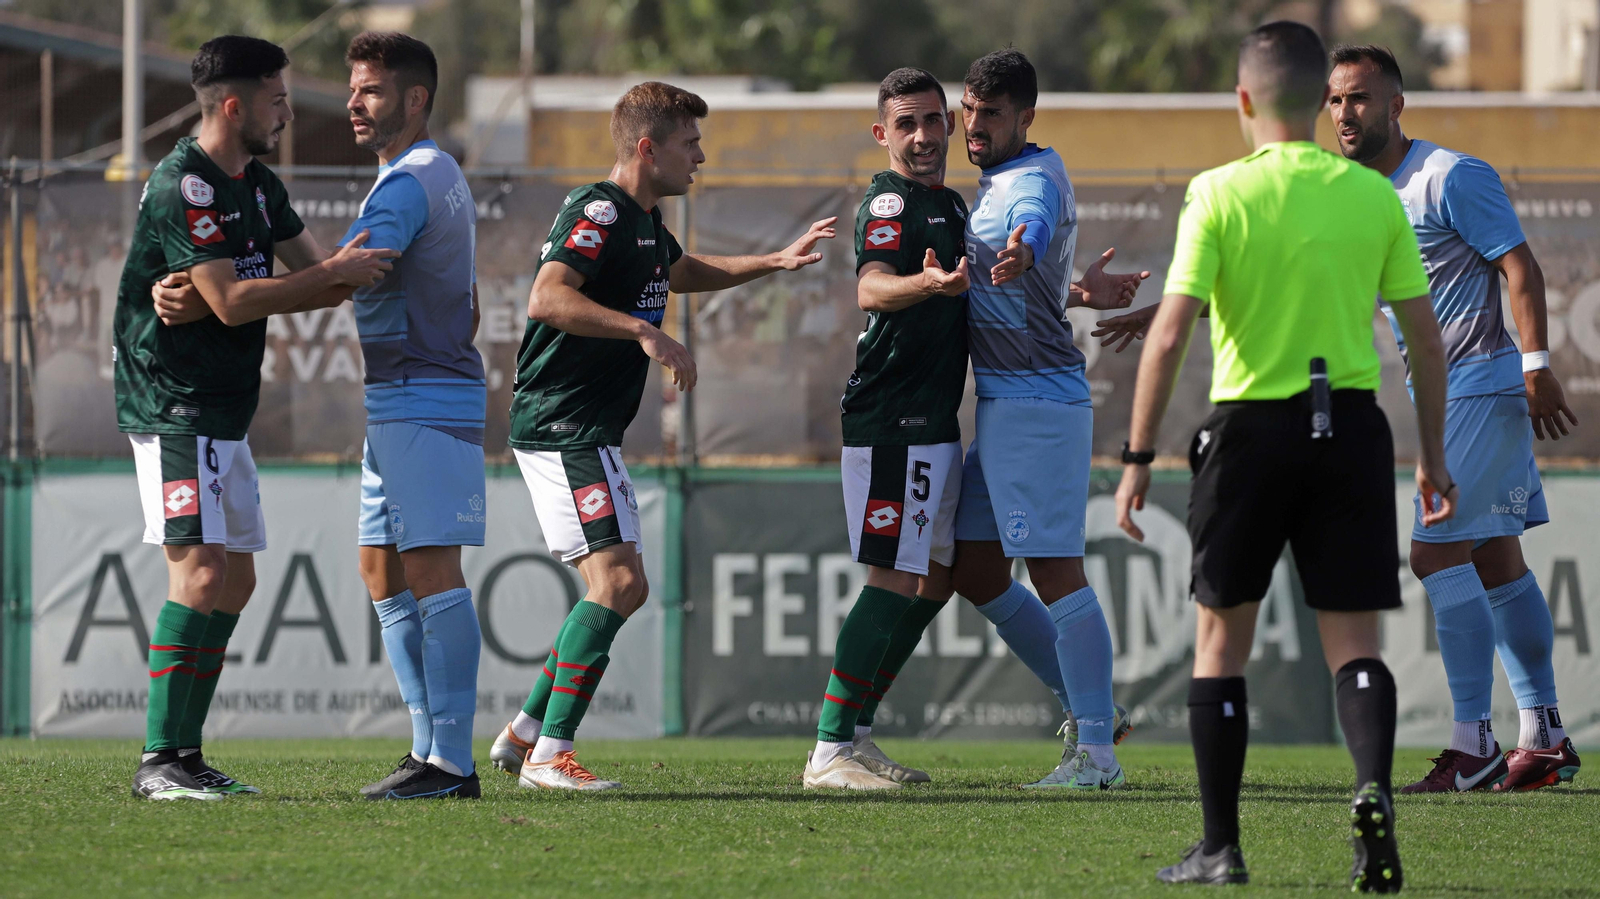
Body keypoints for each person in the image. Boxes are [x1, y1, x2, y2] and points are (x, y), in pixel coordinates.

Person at [1116, 22, 1454, 890]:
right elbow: (1425, 341)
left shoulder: (1217, 192)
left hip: (1249, 433)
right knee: (1356, 646)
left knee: (1220, 643)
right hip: (1351, 428)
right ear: (1318, 101)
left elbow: (1167, 336)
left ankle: (1220, 847)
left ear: (1243, 98)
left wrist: (1137, 454)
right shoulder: (1372, 195)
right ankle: (1371, 790)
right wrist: (1432, 456)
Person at [487, 81, 837, 791]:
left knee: (616, 585)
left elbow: (681, 271)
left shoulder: (644, 220)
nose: (700, 156)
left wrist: (773, 261)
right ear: (648, 149)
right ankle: (550, 755)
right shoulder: (598, 210)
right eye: (690, 143)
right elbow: (547, 297)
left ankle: (525, 733)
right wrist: (643, 331)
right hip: (563, 422)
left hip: (582, 425)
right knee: (619, 582)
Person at [118, 35, 396, 800]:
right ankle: (158, 761)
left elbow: (318, 279)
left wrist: (343, 272)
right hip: (173, 402)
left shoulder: (260, 185)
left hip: (224, 409)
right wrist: (311, 278)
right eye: (277, 99)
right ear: (235, 105)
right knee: (203, 572)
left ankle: (185, 753)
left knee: (235, 580)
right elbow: (236, 300)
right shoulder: (186, 185)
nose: (287, 113)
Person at [1329, 44, 1582, 795]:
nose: (1345, 113)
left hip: (1483, 383)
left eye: (1360, 98)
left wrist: (1536, 366)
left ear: (1396, 104)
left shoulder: (1449, 175)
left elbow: (1519, 265)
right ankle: (1545, 734)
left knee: (1434, 555)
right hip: (1452, 393)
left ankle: (1473, 744)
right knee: (1497, 561)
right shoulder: (1353, 195)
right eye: (1335, 100)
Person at [950, 48, 1151, 790]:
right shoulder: (1006, 174)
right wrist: (1073, 290)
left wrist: (1027, 251)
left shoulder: (1028, 183)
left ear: (1026, 116)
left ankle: (1097, 752)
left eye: (992, 114)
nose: (975, 126)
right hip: (1006, 402)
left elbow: (1028, 228)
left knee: (1057, 571)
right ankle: (1092, 705)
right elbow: (1008, 284)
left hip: (1035, 403)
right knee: (975, 569)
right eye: (969, 110)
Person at [315, 32, 489, 801]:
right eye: (354, 88)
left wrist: (232, 294)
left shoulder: (408, 184)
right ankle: (426, 748)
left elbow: (348, 273)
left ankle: (451, 762)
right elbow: (467, 299)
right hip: (398, 397)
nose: (354, 102)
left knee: (430, 572)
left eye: (372, 90)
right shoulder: (433, 172)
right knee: (380, 569)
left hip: (424, 394)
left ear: (415, 100)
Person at [804, 67, 969, 791]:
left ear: (950, 124)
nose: (923, 135)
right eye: (907, 123)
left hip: (935, 420)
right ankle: (829, 748)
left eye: (933, 120)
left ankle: (859, 732)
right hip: (891, 418)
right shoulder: (889, 202)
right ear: (883, 133)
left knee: (934, 580)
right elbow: (870, 286)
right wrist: (925, 284)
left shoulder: (951, 203)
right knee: (896, 575)